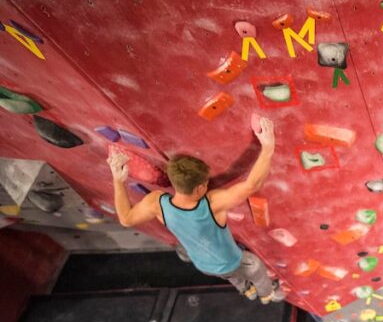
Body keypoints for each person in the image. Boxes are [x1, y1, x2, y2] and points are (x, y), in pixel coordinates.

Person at [108, 116, 285, 303]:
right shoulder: (211, 205)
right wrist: (268, 148)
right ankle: (266, 295)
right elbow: (251, 185)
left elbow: (126, 219)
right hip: (230, 261)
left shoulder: (157, 203)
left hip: (202, 264)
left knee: (230, 276)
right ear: (200, 188)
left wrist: (118, 181)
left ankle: (245, 290)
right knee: (254, 268)